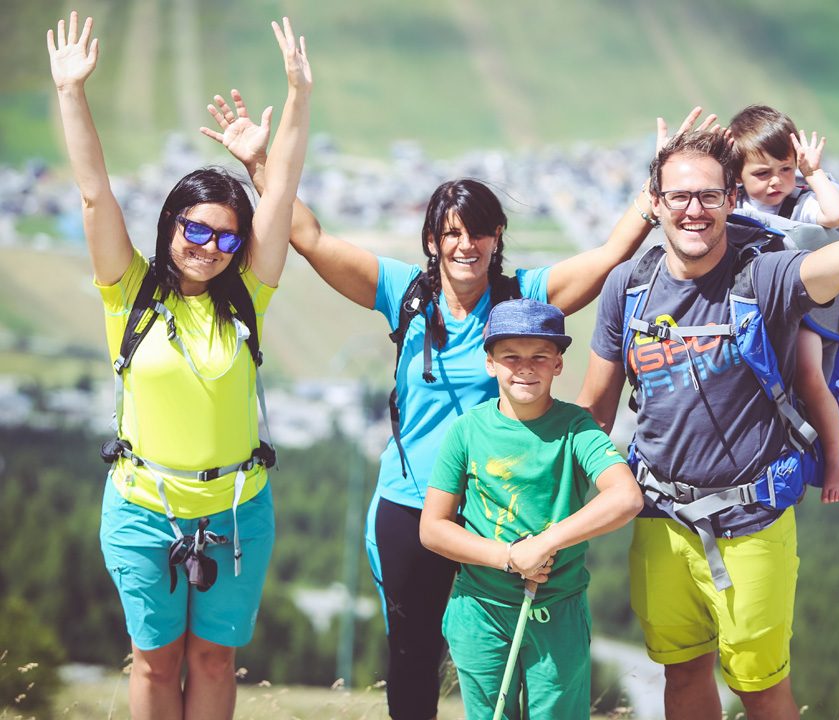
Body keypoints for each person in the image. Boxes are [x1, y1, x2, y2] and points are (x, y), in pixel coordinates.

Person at [203, 95, 722, 719]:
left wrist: (658, 186)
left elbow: (608, 258)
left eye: (477, 230)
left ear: (497, 235)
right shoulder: (404, 293)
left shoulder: (523, 297)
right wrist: (261, 166)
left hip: (493, 511)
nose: (465, 244)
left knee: (505, 657)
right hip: (409, 505)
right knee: (413, 655)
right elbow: (309, 238)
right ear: (432, 239)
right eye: (451, 232)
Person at [577, 126, 839, 720]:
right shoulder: (629, 286)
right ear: (655, 200)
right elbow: (595, 408)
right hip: (660, 519)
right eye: (679, 196)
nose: (694, 210)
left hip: (750, 521)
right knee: (681, 672)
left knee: (761, 687)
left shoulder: (766, 276)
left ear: (730, 199)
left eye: (708, 196)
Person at [48, 11, 311, 719]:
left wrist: (297, 99)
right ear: (170, 226)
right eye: (195, 228)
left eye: (226, 236)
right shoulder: (127, 292)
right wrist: (72, 92)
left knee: (216, 660)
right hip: (141, 510)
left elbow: (280, 196)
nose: (210, 246)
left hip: (236, 511)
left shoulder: (249, 296)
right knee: (157, 665)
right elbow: (95, 194)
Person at [420, 298, 642, 720]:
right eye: (511, 357)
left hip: (557, 611)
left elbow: (626, 497)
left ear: (558, 364)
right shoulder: (465, 432)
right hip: (480, 611)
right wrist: (508, 558)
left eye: (540, 356)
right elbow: (432, 528)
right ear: (490, 364)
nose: (525, 367)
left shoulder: (578, 429)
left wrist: (544, 544)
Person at [729, 104, 839, 503]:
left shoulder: (801, 203)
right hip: (753, 309)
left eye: (785, 169)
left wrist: (812, 173)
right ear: (736, 175)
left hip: (802, 314)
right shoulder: (732, 203)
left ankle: (834, 458)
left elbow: (835, 215)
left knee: (808, 373)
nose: (777, 182)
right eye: (762, 173)